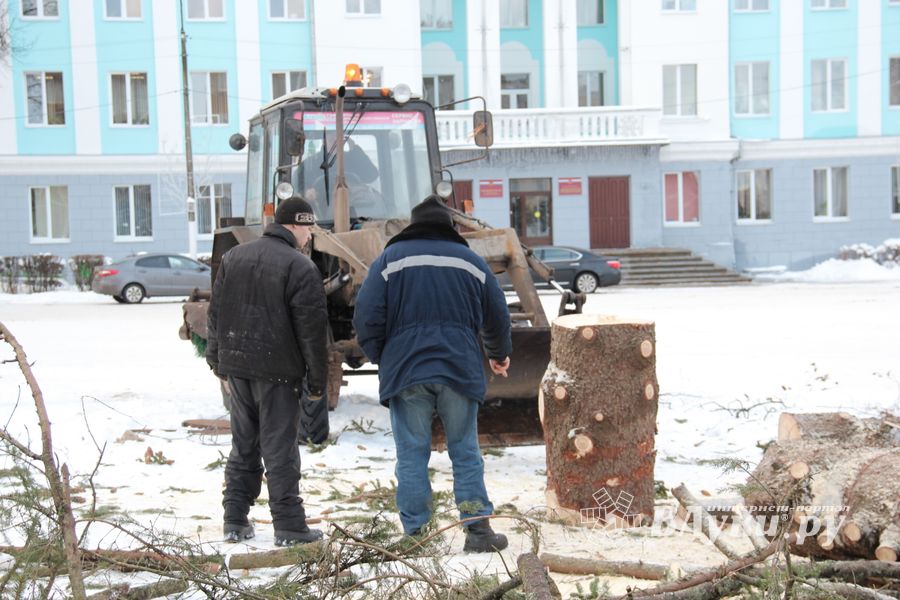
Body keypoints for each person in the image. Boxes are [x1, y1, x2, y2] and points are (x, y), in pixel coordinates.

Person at [353, 196, 512, 553]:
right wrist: (498, 354)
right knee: (465, 450)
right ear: (450, 228)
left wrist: (384, 355)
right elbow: (497, 313)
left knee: (411, 454)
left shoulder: (391, 260)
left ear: (413, 225)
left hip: (407, 370)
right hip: (459, 368)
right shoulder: (471, 261)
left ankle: (417, 535)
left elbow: (365, 314)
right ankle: (478, 531)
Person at [206, 197, 327, 546]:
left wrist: (217, 362)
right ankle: (289, 526)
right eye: (308, 228)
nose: (310, 236)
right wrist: (316, 383)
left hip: (237, 369)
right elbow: (312, 333)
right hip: (278, 372)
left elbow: (216, 315)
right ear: (295, 225)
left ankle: (234, 519)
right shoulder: (300, 268)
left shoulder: (234, 257)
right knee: (280, 449)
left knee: (243, 446)